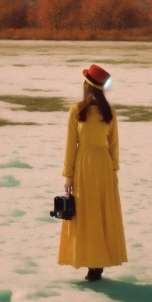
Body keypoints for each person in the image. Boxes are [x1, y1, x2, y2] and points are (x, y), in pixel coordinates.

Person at [58, 64, 127, 281]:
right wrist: (113, 167)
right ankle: (95, 264)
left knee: (92, 214)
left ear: (87, 86)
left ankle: (94, 263)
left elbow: (71, 145)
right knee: (94, 213)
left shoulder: (83, 111)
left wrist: (68, 174)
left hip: (87, 166)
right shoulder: (98, 112)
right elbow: (113, 147)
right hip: (100, 166)